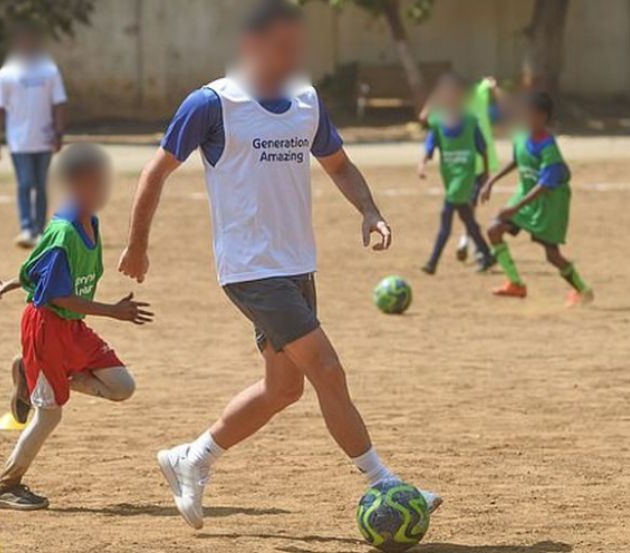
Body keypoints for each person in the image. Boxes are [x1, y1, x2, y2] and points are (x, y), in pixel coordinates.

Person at [117, 0, 441, 530]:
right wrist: (137, 245)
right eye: (283, 45)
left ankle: (191, 459)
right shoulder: (211, 103)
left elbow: (337, 162)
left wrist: (369, 210)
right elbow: (155, 171)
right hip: (250, 269)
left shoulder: (306, 101)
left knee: (284, 388)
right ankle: (386, 482)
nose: (294, 55)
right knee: (329, 372)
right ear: (253, 45)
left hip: (296, 265)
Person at [0, 144, 150, 510]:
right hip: (48, 326)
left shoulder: (87, 219)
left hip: (71, 328)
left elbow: (40, 267)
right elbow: (57, 296)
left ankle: (31, 372)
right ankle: (5, 487)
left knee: (122, 387)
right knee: (50, 414)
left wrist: (14, 281)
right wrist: (113, 311)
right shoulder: (64, 231)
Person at [480, 91, 593, 306]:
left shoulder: (549, 147)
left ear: (542, 117)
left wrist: (514, 209)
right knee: (494, 229)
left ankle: (582, 288)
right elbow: (517, 159)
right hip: (526, 193)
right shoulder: (521, 135)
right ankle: (516, 284)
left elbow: (545, 185)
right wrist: (491, 181)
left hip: (549, 203)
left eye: (530, 114)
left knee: (552, 255)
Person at [0, 22, 68, 248]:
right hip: (18, 141)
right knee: (25, 183)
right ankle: (26, 228)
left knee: (41, 184)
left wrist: (59, 132)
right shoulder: (6, 73)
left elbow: (59, 103)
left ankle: (40, 230)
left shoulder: (49, 70)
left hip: (44, 139)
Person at [418, 73, 495, 274]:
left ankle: (432, 263)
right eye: (444, 93)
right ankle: (487, 254)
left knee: (446, 215)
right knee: (468, 219)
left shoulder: (470, 121)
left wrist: (485, 173)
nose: (449, 97)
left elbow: (482, 147)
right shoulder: (437, 122)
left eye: (453, 93)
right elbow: (431, 143)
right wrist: (423, 163)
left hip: (465, 175)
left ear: (460, 96)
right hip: (450, 174)